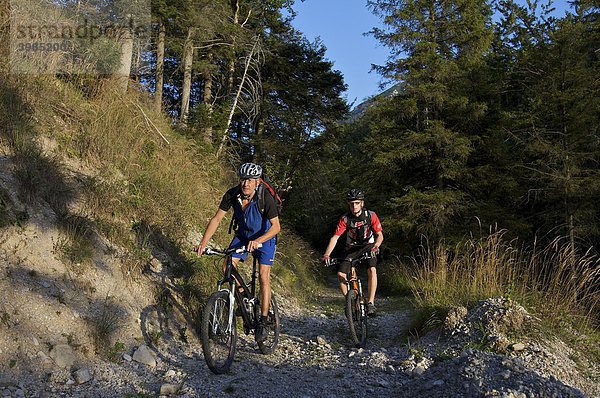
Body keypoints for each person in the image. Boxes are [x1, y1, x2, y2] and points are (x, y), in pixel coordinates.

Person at [195, 162, 280, 342]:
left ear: (258, 182)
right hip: (242, 236)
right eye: (243, 179)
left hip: (265, 238)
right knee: (227, 266)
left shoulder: (266, 198)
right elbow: (217, 219)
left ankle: (264, 321)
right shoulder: (232, 195)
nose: (245, 184)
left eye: (249, 180)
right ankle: (244, 302)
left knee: (263, 276)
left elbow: (276, 227)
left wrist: (258, 241)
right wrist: (203, 243)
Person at [322, 189, 383, 316]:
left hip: (368, 246)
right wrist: (327, 255)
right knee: (340, 274)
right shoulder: (345, 219)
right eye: (351, 204)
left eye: (356, 203)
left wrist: (376, 246)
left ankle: (371, 303)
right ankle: (349, 302)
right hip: (351, 248)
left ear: (362, 203)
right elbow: (335, 237)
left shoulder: (370, 215)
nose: (354, 206)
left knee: (372, 269)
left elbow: (380, 235)